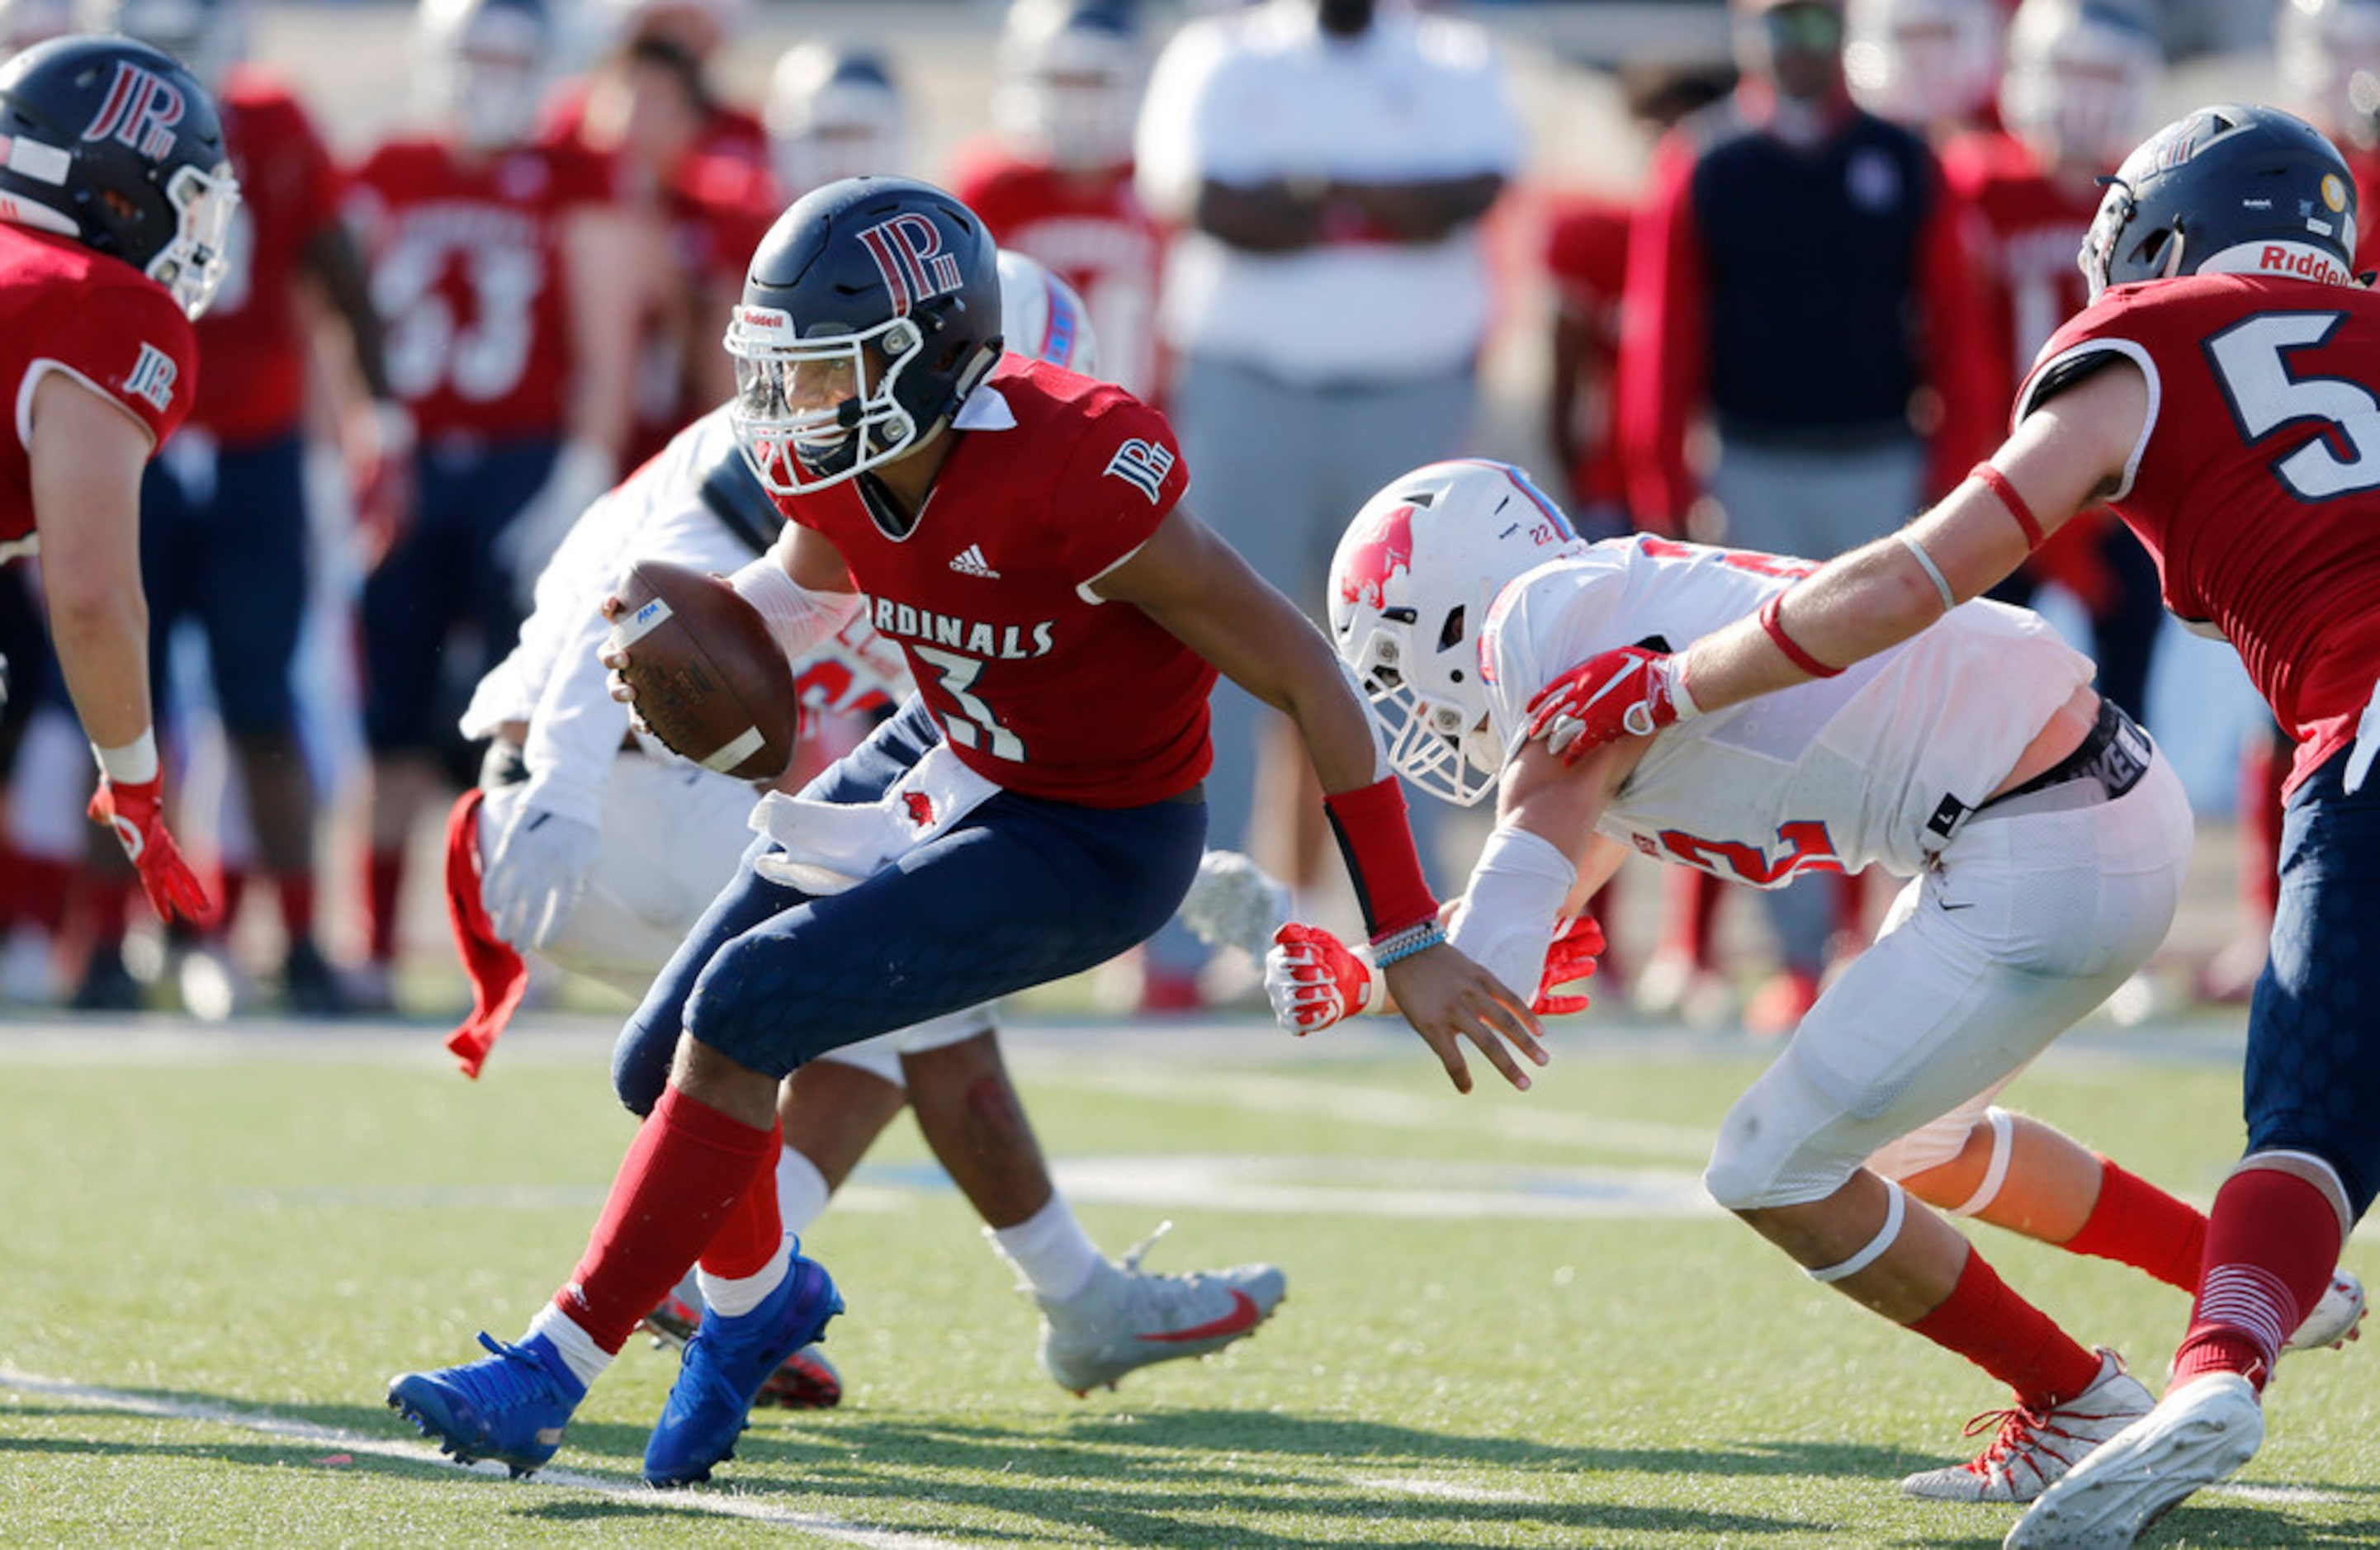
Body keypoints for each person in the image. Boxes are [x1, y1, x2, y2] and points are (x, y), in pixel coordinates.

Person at [386, 176, 1540, 1490]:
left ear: (927, 360)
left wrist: (1399, 928)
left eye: (822, 372)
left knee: (753, 999)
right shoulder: (831, 463)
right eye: (779, 371)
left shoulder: (1076, 469)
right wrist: (692, 640)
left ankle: (549, 1368)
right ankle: (757, 1306)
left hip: (1095, 830)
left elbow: (1307, 677)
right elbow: (798, 596)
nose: (787, 406)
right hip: (953, 753)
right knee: (659, 1059)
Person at [1519, 105, 2380, 1547]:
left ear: (2159, 239)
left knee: (2306, 1115)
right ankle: (2212, 1362)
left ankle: (2215, 1369)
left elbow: (1911, 581)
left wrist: (1672, 682)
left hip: (2363, 707)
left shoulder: (2150, 338)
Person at [1271, 458, 2365, 1507]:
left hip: (2038, 838)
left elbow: (1498, 944)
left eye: (1394, 662)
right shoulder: (1595, 611)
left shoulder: (1540, 628)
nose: (1409, 705)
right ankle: (2255, 1280)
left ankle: (2072, 1397)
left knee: (1768, 1165)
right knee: (1906, 1143)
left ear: (1451, 618)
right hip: (2082, 804)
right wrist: (1366, 977)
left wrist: (1404, 957)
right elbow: (1522, 908)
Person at [447, 252, 1286, 1411]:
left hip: (628, 803)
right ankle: (923, 1288)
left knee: (883, 979)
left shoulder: (933, 480)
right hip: (600, 799)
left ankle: (835, 1283)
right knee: (905, 983)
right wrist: (564, 784)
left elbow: (983, 725)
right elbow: (642, 606)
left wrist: (1171, 860)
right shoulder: (821, 454)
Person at [1129, 0, 1522, 1006]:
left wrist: (1308, 192)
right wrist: (1375, 198)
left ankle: (1413, 938)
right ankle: (1184, 948)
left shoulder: (1453, 56)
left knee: (1422, 666)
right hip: (1247, 387)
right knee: (1212, 662)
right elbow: (1213, 207)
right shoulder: (1218, 58)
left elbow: (1469, 193)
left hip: (1411, 388)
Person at [1618, 0, 2000, 1034]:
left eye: (1815, 23)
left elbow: (1955, 330)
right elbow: (1664, 330)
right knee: (1738, 702)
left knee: (1872, 709)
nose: (1797, 46)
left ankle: (1859, 949)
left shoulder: (1903, 159)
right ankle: (1731, 952)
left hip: (1880, 461)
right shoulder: (1709, 162)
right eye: (1778, 24)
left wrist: (1957, 482)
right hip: (1747, 461)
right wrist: (1663, 484)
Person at [90, 0, 403, 1015]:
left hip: (245, 447)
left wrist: (381, 415)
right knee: (117, 704)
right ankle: (115, 939)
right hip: (133, 438)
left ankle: (299, 938)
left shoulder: (272, 125)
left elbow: (336, 265)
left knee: (257, 700)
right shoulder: (94, 112)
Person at [344, 0, 641, 1009]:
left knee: (522, 712)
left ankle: (528, 941)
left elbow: (606, 336)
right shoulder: (390, 167)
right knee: (389, 717)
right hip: (414, 461)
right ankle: (375, 948)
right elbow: (337, 328)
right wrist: (349, 439)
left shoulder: (570, 172)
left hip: (521, 466)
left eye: (504, 57)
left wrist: (581, 472)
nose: (482, 77)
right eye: (466, 55)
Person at [0, 36, 239, 937]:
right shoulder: (103, 306)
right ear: (114, 191)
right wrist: (134, 783)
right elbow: (94, 598)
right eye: (186, 198)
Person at [953, 0, 1166, 400]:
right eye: (1057, 79)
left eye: (1092, 80)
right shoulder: (993, 188)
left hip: (1150, 415)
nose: (1074, 100)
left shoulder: (1160, 184)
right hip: (1025, 419)